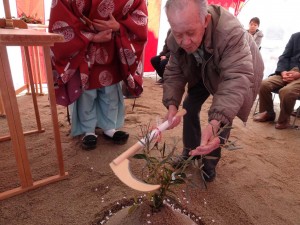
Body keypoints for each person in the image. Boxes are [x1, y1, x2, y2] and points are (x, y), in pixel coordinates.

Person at [162, 0, 264, 182]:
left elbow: (236, 78)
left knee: (222, 117)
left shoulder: (230, 32)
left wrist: (216, 120)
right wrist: (171, 105)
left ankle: (208, 163)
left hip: (237, 68)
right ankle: (190, 151)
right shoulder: (174, 38)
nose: (184, 42)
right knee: (189, 105)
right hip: (203, 67)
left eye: (191, 33)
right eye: (179, 34)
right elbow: (174, 70)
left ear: (206, 20)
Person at [49, 0, 148, 150]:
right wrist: (91, 36)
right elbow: (62, 16)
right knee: (87, 94)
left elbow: (138, 17)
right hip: (85, 50)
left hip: (113, 46)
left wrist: (119, 27)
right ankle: (88, 130)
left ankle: (110, 127)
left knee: (111, 93)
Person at [253, 32, 300, 129]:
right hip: (287, 71)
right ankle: (268, 113)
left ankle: (284, 121)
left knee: (286, 91)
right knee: (264, 84)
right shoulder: (296, 36)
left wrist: (298, 74)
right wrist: (283, 72)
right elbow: (284, 56)